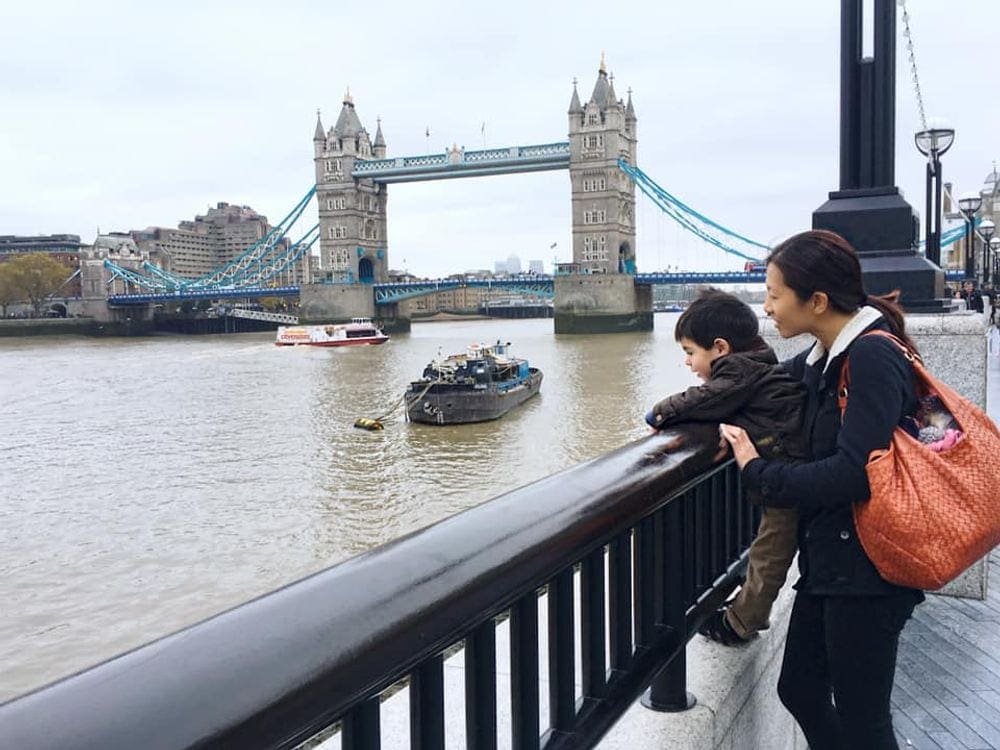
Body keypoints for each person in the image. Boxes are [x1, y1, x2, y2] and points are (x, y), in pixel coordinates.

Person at [720, 230, 925, 749]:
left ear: (816, 301)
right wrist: (687, 411)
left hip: (869, 571)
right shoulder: (821, 358)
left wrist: (757, 471)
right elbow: (758, 387)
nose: (765, 308)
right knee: (801, 689)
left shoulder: (872, 358)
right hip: (832, 561)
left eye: (772, 294)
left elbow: (854, 472)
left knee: (864, 720)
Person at [645, 288, 808, 645]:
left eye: (690, 353)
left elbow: (706, 398)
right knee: (769, 548)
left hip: (787, 472)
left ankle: (740, 623)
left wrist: (659, 412)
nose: (687, 363)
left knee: (770, 552)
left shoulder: (737, 369)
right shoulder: (758, 362)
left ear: (720, 348)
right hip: (789, 466)